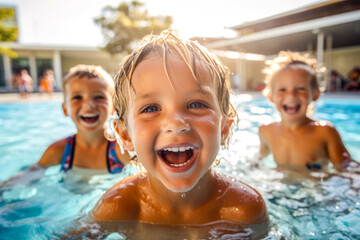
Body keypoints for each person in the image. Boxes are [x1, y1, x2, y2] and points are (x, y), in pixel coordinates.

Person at [92, 30, 268, 225]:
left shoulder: (243, 210)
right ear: (125, 135)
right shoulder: (117, 209)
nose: (176, 124)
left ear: (224, 128)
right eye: (151, 108)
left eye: (196, 105)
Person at [2, 65, 131, 185]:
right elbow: (31, 173)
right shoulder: (60, 150)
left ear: (113, 107)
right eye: (77, 97)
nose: (89, 104)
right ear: (65, 109)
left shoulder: (120, 149)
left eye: (98, 97)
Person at [259, 51, 359, 172]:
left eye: (300, 88)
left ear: (315, 95)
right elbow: (259, 160)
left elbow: (347, 167)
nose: (291, 95)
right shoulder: (266, 131)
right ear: (271, 97)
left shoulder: (325, 132)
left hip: (316, 186)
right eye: (282, 89)